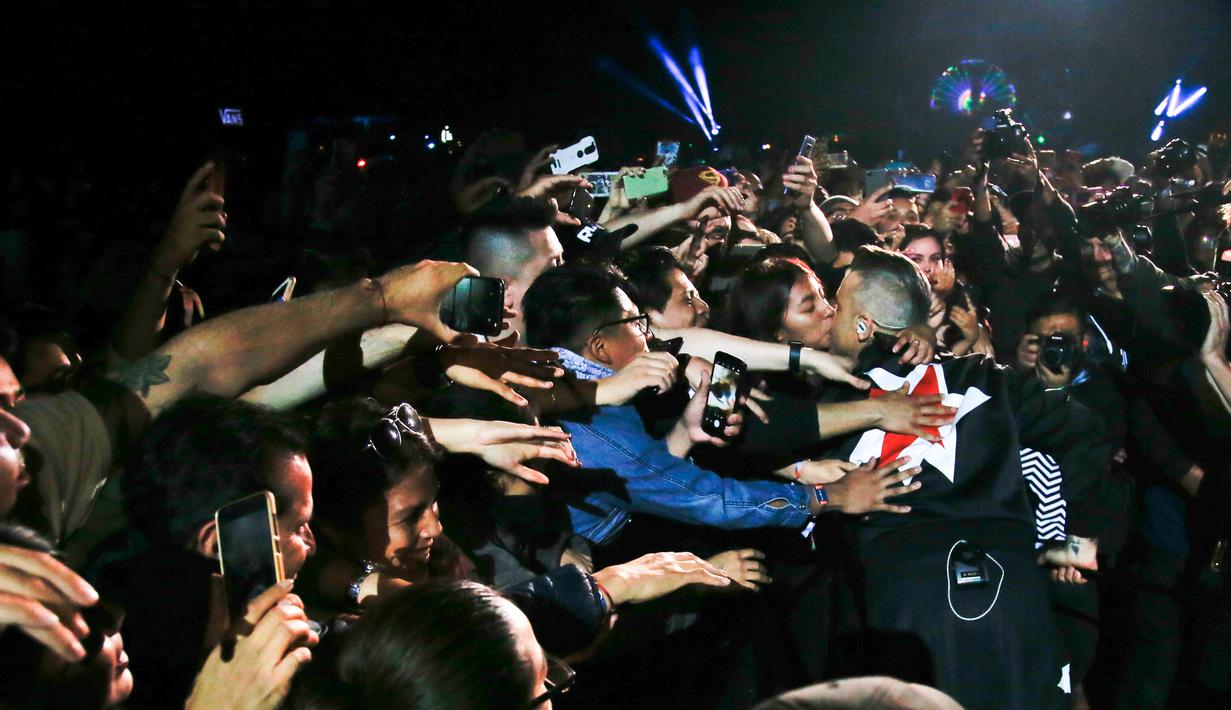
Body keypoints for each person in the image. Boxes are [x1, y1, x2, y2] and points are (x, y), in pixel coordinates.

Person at [815, 246, 1114, 710]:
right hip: (1013, 598)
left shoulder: (830, 405)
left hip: (902, 615)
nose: (830, 314)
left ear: (863, 325)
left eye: (839, 303)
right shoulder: (988, 378)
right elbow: (1088, 435)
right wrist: (1072, 542)